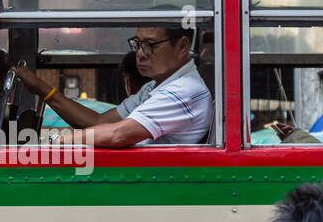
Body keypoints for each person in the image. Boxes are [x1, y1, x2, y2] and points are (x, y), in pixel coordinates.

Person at [11, 19, 213, 147]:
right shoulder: (153, 87)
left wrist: (56, 141)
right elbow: (99, 123)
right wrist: (42, 89)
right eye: (138, 44)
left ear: (182, 46)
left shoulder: (185, 91)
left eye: (149, 45)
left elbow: (117, 134)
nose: (140, 54)